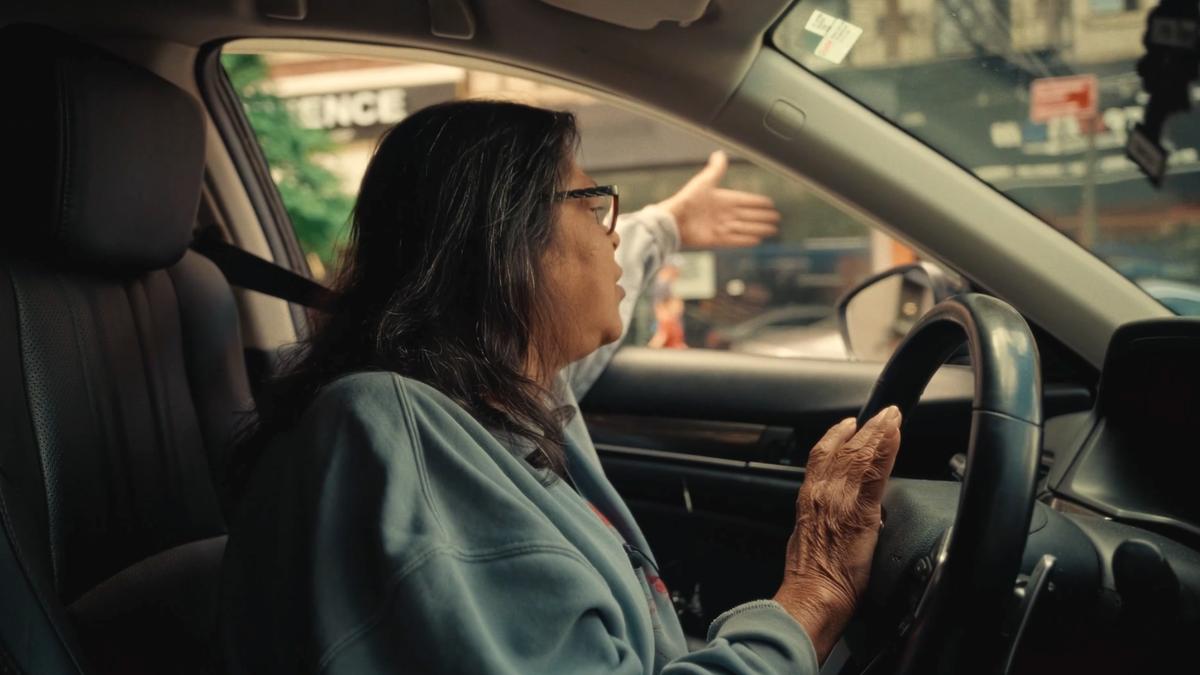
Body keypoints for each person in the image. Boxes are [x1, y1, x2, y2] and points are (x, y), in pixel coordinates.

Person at [220, 100, 903, 675]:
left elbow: (601, 294)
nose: (612, 237)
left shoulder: (506, 395)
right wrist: (813, 596)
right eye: (593, 204)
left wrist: (667, 227)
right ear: (507, 237)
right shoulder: (393, 433)